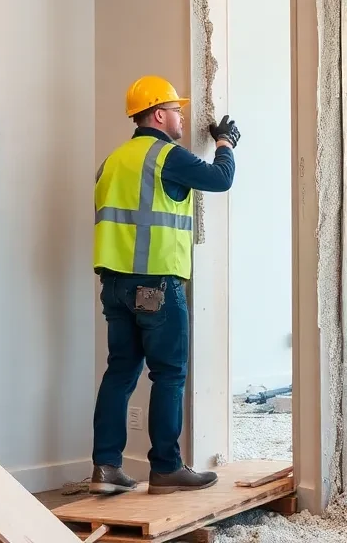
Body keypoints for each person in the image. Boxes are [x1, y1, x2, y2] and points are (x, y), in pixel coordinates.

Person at [89, 75, 239, 495]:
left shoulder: (113, 161)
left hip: (115, 285)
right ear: (158, 114)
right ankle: (166, 468)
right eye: (176, 110)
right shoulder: (166, 156)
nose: (181, 117)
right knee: (169, 374)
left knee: (119, 372)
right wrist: (225, 144)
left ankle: (105, 468)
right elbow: (220, 179)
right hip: (156, 284)